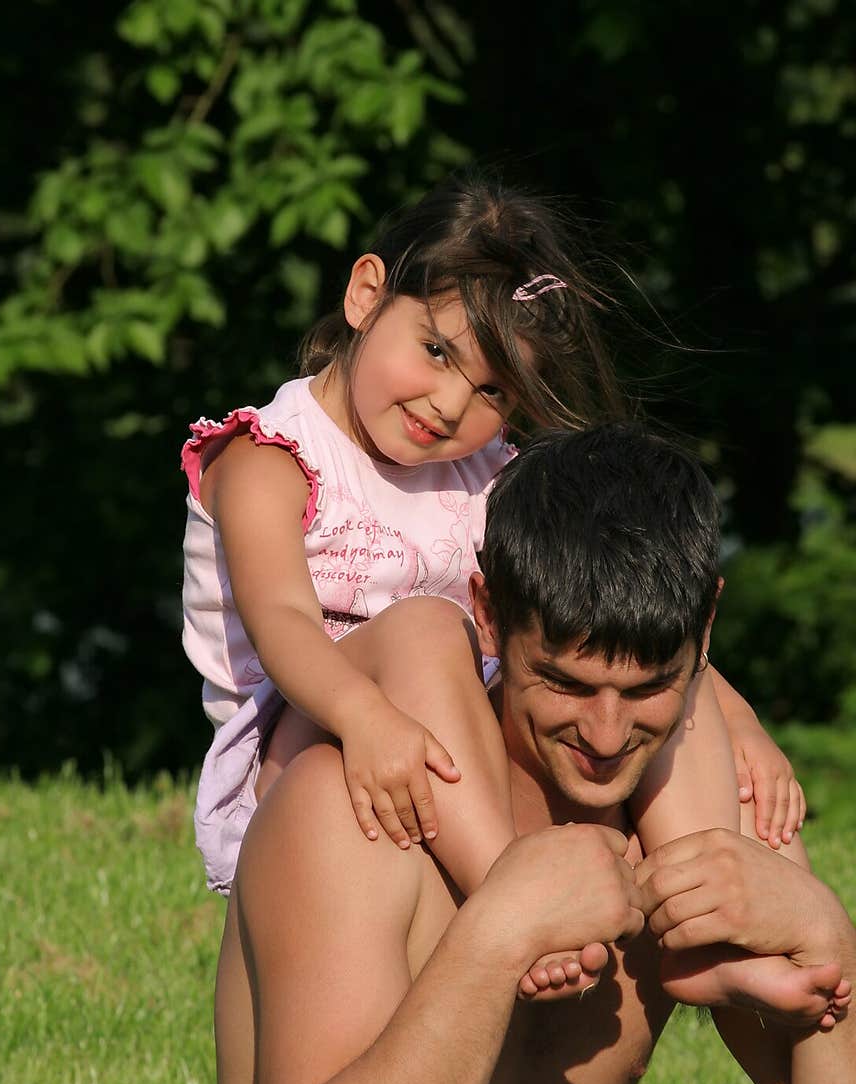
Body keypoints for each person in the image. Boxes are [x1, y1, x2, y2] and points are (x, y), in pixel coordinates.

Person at [216, 422, 854, 1084]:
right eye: (564, 681)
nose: (606, 732)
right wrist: (497, 931)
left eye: (649, 689)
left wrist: (827, 943)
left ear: (705, 634)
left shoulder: (700, 815)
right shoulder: (357, 812)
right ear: (488, 615)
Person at [180, 170, 805, 1015]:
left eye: (491, 390)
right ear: (366, 294)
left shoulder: (488, 474)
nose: (448, 405)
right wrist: (366, 716)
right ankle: (519, 906)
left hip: (450, 727)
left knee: (634, 668)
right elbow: (284, 623)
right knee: (428, 628)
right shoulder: (270, 458)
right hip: (303, 737)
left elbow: (598, 613)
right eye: (437, 352)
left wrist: (738, 720)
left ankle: (708, 932)